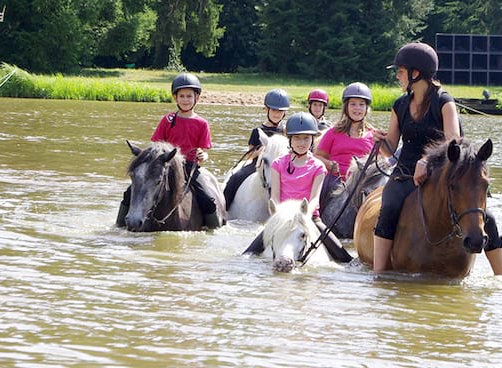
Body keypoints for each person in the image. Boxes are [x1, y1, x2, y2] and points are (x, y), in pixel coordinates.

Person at [372, 42, 502, 275]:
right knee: (390, 206)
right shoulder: (399, 105)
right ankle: (379, 273)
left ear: (416, 74)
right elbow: (391, 147)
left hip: (444, 173)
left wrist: (426, 161)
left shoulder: (445, 102)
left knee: (489, 218)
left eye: (401, 72)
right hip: (405, 173)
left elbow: (453, 143)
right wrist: (379, 143)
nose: (397, 76)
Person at [117, 73, 223, 228]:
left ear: (197, 98)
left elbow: (204, 149)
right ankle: (119, 225)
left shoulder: (202, 123)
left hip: (189, 167)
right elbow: (155, 146)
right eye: (182, 96)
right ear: (175, 98)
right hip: (164, 165)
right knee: (130, 192)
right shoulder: (167, 120)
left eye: (189, 96)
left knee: (207, 197)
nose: (185, 100)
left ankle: (214, 228)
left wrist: (203, 155)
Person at [243, 112, 352, 262]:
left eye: (306, 138)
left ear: (312, 139)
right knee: (248, 254)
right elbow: (274, 196)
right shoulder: (278, 164)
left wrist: (304, 215)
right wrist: (278, 215)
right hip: (282, 217)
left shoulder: (318, 166)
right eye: (297, 138)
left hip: (309, 217)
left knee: (343, 257)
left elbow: (314, 199)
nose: (302, 143)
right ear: (290, 140)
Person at [314, 82, 377, 209]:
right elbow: (317, 156)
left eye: (361, 104)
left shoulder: (373, 135)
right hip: (336, 180)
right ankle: (316, 217)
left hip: (361, 184)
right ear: (346, 107)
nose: (357, 108)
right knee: (324, 186)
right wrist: (330, 165)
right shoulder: (333, 133)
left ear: (366, 108)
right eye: (353, 104)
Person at [223, 88, 290, 208]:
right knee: (236, 177)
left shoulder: (285, 131)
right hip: (258, 165)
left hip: (281, 167)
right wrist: (259, 152)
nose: (277, 114)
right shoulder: (257, 131)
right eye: (274, 110)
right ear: (266, 109)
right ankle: (224, 207)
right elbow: (250, 155)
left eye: (280, 111)